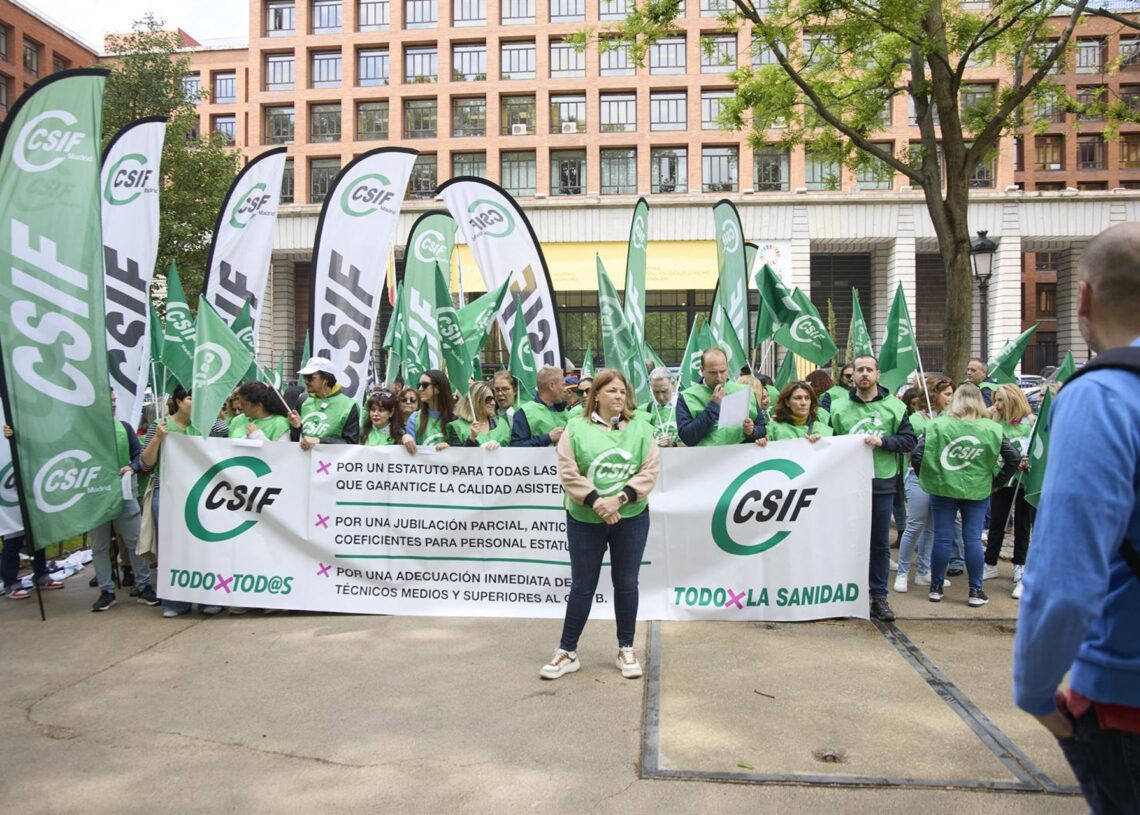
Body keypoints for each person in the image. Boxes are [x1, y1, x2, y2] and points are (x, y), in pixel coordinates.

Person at [1013, 222, 1140, 814]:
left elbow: (1065, 583)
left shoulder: (1102, 396)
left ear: (1082, 298)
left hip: (1124, 698)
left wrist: (1036, 694)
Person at [541, 369, 660, 681]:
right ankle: (567, 651)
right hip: (585, 519)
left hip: (630, 517)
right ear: (596, 395)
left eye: (622, 391)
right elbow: (568, 471)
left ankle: (626, 648)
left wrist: (618, 499)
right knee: (582, 585)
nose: (618, 396)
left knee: (626, 583)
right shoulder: (576, 427)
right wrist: (596, 501)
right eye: (611, 391)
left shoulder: (641, 428)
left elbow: (649, 469)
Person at [910, 383, 1020, 607]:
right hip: (977, 489)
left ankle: (936, 588)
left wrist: (929, 478)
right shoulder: (991, 429)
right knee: (972, 539)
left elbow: (917, 454)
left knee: (942, 537)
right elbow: (1014, 458)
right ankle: (975, 590)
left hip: (943, 487)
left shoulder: (936, 425)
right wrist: (995, 483)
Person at [829, 354, 916, 621]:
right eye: (859, 370)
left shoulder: (896, 407)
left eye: (869, 369)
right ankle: (843, 596)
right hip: (847, 483)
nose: (864, 374)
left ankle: (878, 597)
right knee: (845, 542)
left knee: (879, 544)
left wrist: (884, 442)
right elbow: (827, 443)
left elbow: (909, 441)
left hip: (881, 482)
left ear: (878, 374)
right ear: (852, 375)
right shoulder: (838, 407)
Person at [140, 386, 229, 618]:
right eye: (191, 398)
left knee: (204, 546)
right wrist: (158, 438)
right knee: (172, 548)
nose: (196, 403)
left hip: (202, 495)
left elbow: (228, 438)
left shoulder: (208, 427)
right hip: (168, 495)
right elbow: (146, 463)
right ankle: (175, 601)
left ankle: (208, 598)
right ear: (178, 402)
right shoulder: (159, 427)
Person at [87, 389, 159, 611]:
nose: (114, 404)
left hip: (123, 493)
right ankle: (106, 591)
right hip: (95, 497)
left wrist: (134, 466)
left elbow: (138, 454)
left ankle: (143, 585)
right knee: (99, 546)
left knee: (135, 541)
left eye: (115, 400)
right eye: (110, 401)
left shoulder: (125, 428)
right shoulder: (82, 432)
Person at [894, 375, 957, 593]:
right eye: (947, 394)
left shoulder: (951, 417)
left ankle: (924, 571)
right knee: (915, 524)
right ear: (934, 395)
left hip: (942, 478)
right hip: (918, 477)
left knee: (932, 526)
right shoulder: (915, 420)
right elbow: (911, 451)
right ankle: (902, 572)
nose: (951, 398)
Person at [982, 384, 1035, 599]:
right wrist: (986, 413)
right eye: (995, 400)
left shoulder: (1030, 423)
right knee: (997, 521)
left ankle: (1019, 565)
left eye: (1001, 400)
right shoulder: (994, 422)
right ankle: (990, 562)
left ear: (1013, 400)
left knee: (1022, 524)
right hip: (1002, 479)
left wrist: (1027, 461)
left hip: (1024, 481)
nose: (997, 404)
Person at [677, 349, 765, 446]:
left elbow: (762, 428)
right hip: (706, 458)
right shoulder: (687, 397)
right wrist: (713, 406)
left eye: (722, 371)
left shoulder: (744, 391)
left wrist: (752, 432)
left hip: (740, 457)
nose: (719, 377)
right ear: (702, 370)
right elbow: (687, 437)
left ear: (727, 367)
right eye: (713, 373)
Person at [288, 357, 360, 448]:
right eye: (304, 377)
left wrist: (320, 441)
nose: (306, 381)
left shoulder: (349, 405)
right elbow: (294, 440)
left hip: (332, 461)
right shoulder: (303, 400)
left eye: (310, 377)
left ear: (326, 379)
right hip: (304, 460)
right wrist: (296, 427)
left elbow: (351, 443)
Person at [511, 366, 570, 447]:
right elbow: (516, 447)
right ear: (552, 386)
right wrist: (548, 438)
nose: (565, 389)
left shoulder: (566, 412)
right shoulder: (525, 412)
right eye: (563, 385)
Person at [759, 381, 834, 443]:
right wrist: (762, 444)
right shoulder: (774, 428)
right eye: (798, 398)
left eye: (807, 398)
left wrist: (820, 443)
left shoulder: (822, 429)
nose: (803, 403)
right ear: (787, 402)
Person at [401, 369, 453, 453]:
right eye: (419, 385)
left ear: (438, 388)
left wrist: (451, 448)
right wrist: (404, 438)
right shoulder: (414, 418)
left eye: (425, 385)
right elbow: (410, 454)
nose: (420, 389)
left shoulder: (455, 417)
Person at [448, 382, 509, 449]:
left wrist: (499, 447)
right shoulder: (458, 426)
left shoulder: (501, 423)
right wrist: (472, 439)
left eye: (494, 399)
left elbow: (512, 452)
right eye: (488, 399)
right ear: (476, 400)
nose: (493, 403)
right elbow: (458, 457)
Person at [644, 367, 679, 447]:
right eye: (656, 392)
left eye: (664, 391)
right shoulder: (644, 410)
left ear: (673, 384)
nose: (661, 397)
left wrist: (673, 445)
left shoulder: (685, 406)